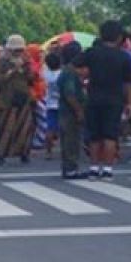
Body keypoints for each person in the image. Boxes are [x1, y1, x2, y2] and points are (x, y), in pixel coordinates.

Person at [83, 20, 131, 180]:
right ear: (120, 37)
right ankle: (107, 169)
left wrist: (85, 81)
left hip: (93, 98)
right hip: (115, 99)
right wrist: (129, 103)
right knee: (110, 135)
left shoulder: (92, 53)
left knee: (94, 135)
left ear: (101, 35)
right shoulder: (124, 57)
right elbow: (128, 82)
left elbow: (76, 67)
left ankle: (93, 168)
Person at [0, 34, 38, 165]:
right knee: (5, 128)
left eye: (20, 50)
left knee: (25, 128)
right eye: (16, 50)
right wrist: (12, 70)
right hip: (6, 100)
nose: (18, 52)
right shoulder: (2, 61)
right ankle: (1, 154)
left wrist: (24, 68)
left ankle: (24, 153)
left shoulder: (26, 61)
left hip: (23, 98)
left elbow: (31, 79)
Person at [56, 43, 89, 180]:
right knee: (72, 140)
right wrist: (79, 110)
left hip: (64, 110)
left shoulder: (66, 70)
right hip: (69, 112)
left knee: (68, 139)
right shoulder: (70, 72)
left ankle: (68, 167)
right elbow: (70, 94)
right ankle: (71, 168)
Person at [41, 50, 63, 160]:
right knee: (64, 129)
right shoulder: (62, 74)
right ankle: (65, 150)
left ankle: (48, 151)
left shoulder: (46, 74)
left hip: (50, 104)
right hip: (62, 104)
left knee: (50, 128)